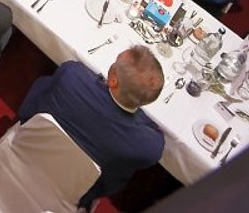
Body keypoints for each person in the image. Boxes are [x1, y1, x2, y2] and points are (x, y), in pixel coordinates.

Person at [16, 49, 167, 205]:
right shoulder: (148, 147)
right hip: (68, 194)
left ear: (113, 81)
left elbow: (33, 101)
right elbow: (157, 137)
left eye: (115, 63)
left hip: (22, 153)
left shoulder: (72, 75)